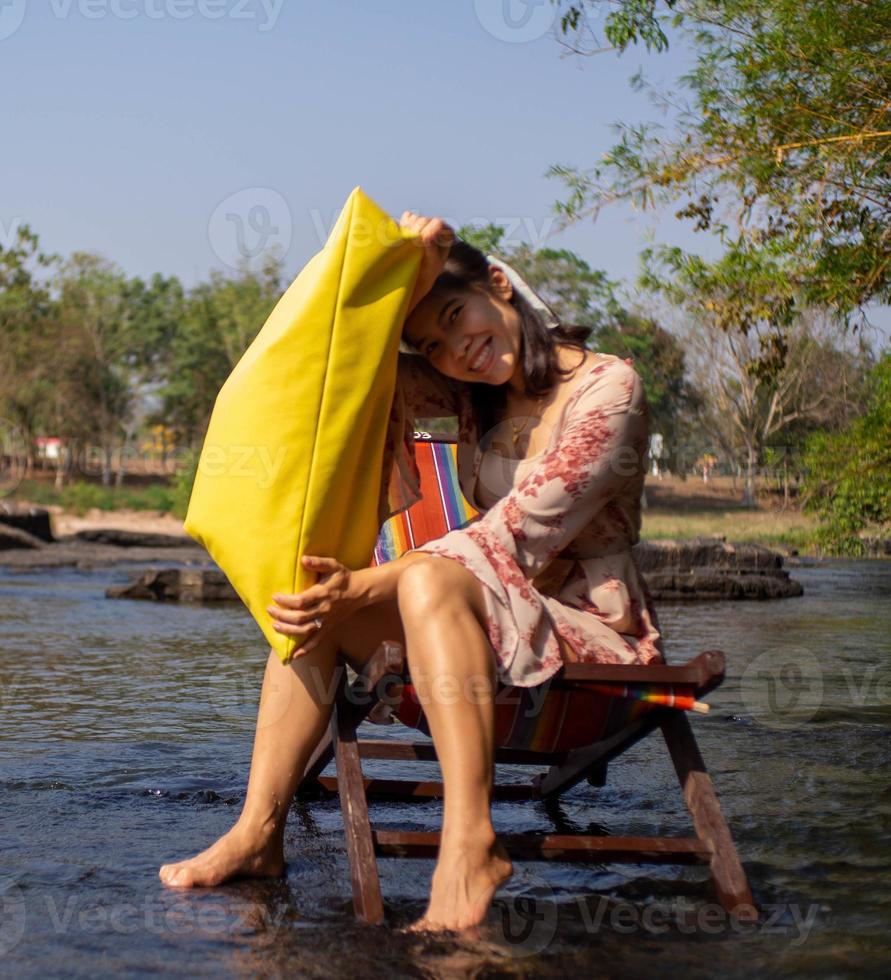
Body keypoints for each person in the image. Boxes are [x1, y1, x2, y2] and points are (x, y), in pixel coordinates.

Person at [159, 212, 665, 933]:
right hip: (478, 631)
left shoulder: (609, 392)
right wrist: (415, 269)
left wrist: (365, 585)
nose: (457, 350)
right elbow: (341, 361)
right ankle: (258, 833)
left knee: (421, 577)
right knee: (313, 608)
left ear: (500, 286)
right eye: (433, 342)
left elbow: (511, 538)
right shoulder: (467, 397)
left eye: (457, 316)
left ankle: (468, 845)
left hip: (593, 650)